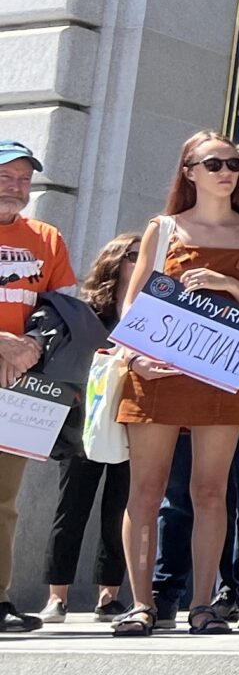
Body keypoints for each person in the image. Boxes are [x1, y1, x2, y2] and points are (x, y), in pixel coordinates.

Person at [110, 131, 239, 636]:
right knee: (146, 491)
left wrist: (233, 285)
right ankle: (141, 604)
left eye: (232, 162)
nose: (226, 171)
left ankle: (203, 604)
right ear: (188, 170)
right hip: (158, 370)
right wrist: (132, 356)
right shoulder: (163, 229)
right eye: (213, 163)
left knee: (211, 492)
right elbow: (132, 301)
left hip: (222, 372)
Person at [37, 233, 139, 623]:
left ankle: (108, 596)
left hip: (132, 419)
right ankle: (56, 596)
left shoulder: (152, 310)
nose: (140, 261)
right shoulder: (88, 313)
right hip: (86, 421)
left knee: (119, 510)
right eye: (133, 255)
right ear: (115, 261)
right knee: (72, 509)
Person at [0, 137, 77, 632]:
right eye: (7, 177)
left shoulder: (47, 238)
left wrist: (31, 344)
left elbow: (67, 311)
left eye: (25, 179)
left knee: (4, 500)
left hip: (19, 384)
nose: (18, 187)